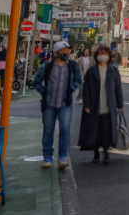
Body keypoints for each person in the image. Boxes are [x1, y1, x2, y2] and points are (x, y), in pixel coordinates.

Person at [33, 41, 82, 169]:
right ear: (55, 53)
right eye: (63, 52)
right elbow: (36, 82)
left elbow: (78, 79)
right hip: (48, 104)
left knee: (65, 129)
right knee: (48, 130)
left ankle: (63, 156)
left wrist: (71, 88)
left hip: (65, 103)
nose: (66, 53)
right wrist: (44, 92)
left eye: (67, 51)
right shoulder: (46, 67)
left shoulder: (72, 65)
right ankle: (47, 156)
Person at [78, 46, 123, 164]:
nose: (102, 55)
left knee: (107, 131)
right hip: (94, 107)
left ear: (109, 56)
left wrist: (120, 103)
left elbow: (118, 88)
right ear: (96, 56)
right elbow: (86, 89)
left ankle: (106, 153)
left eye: (104, 53)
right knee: (95, 132)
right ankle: (96, 153)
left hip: (109, 107)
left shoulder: (113, 70)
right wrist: (86, 104)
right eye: (100, 53)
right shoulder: (91, 71)